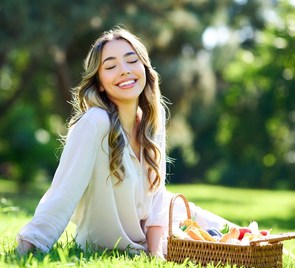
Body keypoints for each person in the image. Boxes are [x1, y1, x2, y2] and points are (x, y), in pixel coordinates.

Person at [16, 26, 236, 259]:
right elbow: (63, 192)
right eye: (110, 66)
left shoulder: (154, 116)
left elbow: (156, 196)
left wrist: (155, 253)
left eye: (132, 61)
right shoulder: (95, 122)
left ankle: (259, 243)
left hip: (152, 231)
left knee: (223, 231)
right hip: (105, 243)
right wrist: (31, 244)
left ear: (144, 68)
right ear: (99, 82)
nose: (124, 71)